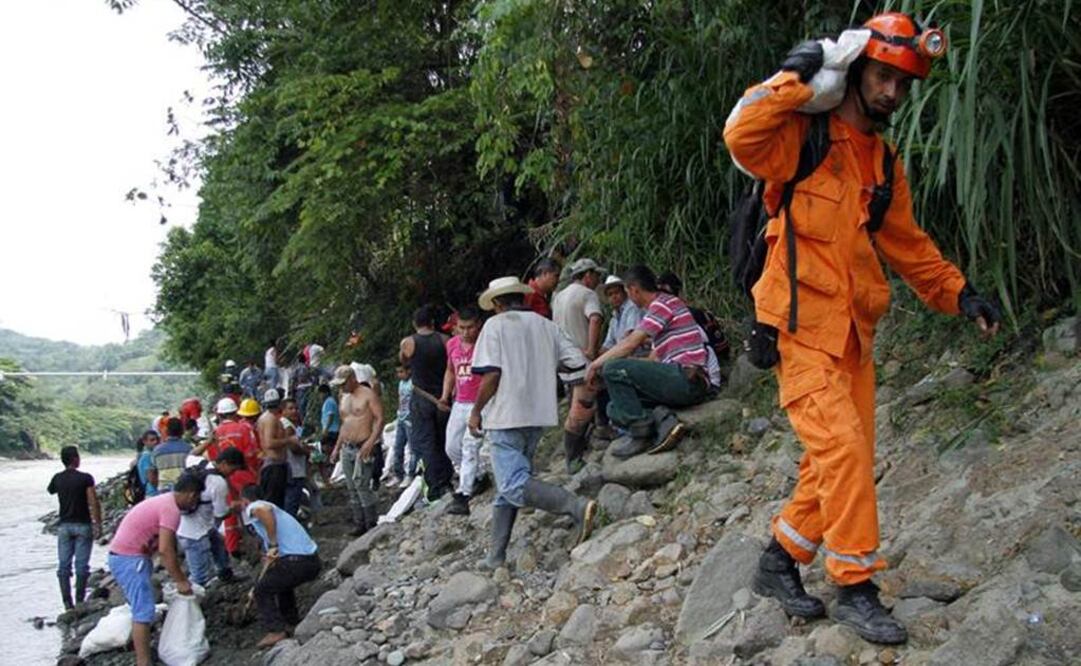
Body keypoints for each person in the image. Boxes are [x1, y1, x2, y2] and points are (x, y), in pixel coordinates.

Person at [722, 14, 1003, 644]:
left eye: (903, 84)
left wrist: (960, 294)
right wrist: (795, 77)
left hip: (854, 335)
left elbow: (908, 246)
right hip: (798, 329)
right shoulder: (801, 138)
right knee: (844, 452)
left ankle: (779, 560)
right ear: (855, 72)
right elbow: (740, 135)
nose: (892, 94)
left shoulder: (883, 163)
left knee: (840, 463)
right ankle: (855, 585)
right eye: (883, 77)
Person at [469, 277, 598, 570]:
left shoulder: (495, 326)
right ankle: (496, 556)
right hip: (538, 414)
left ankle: (574, 505)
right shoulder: (546, 326)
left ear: (498, 303)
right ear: (522, 298)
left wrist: (476, 410)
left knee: (512, 484)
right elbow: (576, 363)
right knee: (506, 488)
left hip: (505, 415)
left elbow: (491, 375)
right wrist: (544, 364)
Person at [586, 265, 715, 458]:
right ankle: (663, 419)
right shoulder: (660, 310)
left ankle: (641, 434)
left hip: (688, 378)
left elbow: (630, 343)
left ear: (634, 290)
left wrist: (596, 365)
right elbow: (653, 359)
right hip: (677, 379)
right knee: (614, 407)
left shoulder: (663, 304)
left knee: (612, 367)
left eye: (628, 292)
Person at [108, 475, 202, 666]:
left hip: (129, 556)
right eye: (197, 497)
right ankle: (143, 662)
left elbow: (164, 546)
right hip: (129, 559)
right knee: (143, 610)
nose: (196, 502)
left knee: (142, 607)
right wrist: (181, 581)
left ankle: (143, 656)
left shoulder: (165, 501)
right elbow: (165, 550)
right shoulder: (171, 509)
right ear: (191, 494)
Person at [239, 484, 321, 649]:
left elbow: (264, 512)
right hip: (310, 560)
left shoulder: (255, 506)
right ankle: (291, 621)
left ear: (244, 501)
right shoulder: (274, 511)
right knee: (280, 583)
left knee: (262, 590)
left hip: (298, 560)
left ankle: (276, 630)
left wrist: (274, 544)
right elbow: (270, 561)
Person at [552, 257, 607, 472]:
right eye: (596, 276)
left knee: (585, 399)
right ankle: (573, 460)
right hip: (580, 360)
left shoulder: (558, 297)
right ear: (587, 275)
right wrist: (592, 349)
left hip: (563, 361)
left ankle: (597, 431)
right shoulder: (587, 294)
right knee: (580, 408)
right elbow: (595, 318)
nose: (597, 280)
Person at [399, 305, 454, 500]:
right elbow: (451, 367)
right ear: (432, 322)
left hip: (421, 397)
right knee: (443, 439)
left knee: (426, 442)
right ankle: (447, 479)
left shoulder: (408, 343)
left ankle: (435, 486)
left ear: (415, 324)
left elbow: (404, 363)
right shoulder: (445, 340)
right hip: (443, 397)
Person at [439, 306, 486, 515]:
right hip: (460, 401)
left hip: (481, 402)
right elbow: (450, 371)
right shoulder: (452, 345)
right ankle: (479, 475)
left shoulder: (486, 345)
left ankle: (464, 493)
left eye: (470, 328)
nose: (466, 332)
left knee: (470, 445)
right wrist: (445, 395)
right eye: (461, 328)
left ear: (478, 326)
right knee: (451, 447)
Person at [329, 365, 384, 536]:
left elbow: (380, 418)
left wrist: (371, 442)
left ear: (352, 379)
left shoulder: (368, 394)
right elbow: (345, 424)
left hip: (363, 443)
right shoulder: (344, 397)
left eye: (344, 383)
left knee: (362, 484)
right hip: (347, 445)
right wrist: (337, 448)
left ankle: (370, 522)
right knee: (351, 486)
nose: (342, 387)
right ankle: (359, 522)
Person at [176, 452, 244, 586]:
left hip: (186, 523)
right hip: (195, 533)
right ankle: (189, 602)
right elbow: (221, 514)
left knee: (218, 545)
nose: (233, 473)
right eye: (233, 469)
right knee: (199, 575)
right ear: (224, 464)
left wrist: (207, 443)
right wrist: (234, 508)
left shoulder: (198, 462)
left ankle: (225, 574)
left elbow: (190, 454)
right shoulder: (218, 483)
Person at [47, 446, 102, 609]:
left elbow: (50, 491)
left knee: (64, 565)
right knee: (81, 565)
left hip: (64, 526)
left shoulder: (57, 478)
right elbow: (93, 501)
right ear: (75, 459)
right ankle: (79, 600)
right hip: (83, 525)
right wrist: (97, 523)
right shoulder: (86, 478)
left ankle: (66, 602)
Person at [594, 275, 647, 440]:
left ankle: (618, 424)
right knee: (600, 373)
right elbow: (606, 346)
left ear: (624, 292)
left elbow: (629, 339)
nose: (614, 297)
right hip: (621, 356)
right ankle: (607, 424)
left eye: (617, 292)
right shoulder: (614, 318)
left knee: (608, 372)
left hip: (637, 356)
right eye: (610, 294)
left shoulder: (631, 308)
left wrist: (608, 355)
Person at [256, 388, 296, 508]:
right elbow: (269, 443)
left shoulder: (267, 418)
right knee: (274, 505)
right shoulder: (271, 419)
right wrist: (289, 440)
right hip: (274, 466)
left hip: (274, 465)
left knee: (275, 503)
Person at [280, 398, 310, 517]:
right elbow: (294, 448)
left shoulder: (290, 424)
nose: (294, 411)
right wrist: (307, 451)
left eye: (296, 408)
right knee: (291, 502)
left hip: (289, 468)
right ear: (283, 411)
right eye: (290, 408)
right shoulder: (288, 426)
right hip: (294, 469)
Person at [390, 365, 416, 487]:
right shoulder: (401, 383)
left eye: (401, 371)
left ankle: (411, 474)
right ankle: (398, 474)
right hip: (401, 417)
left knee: (413, 448)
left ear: (409, 370)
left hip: (410, 419)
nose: (399, 374)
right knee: (398, 446)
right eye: (398, 372)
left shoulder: (413, 383)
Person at [153, 417, 193, 492]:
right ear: (182, 431)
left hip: (164, 489)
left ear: (167, 431)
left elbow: (154, 471)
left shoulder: (157, 450)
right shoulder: (188, 449)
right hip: (183, 490)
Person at [136, 430, 160, 498]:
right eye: (152, 440)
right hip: (153, 493)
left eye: (157, 440)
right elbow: (151, 479)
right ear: (145, 442)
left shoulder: (151, 455)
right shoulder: (147, 456)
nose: (155, 442)